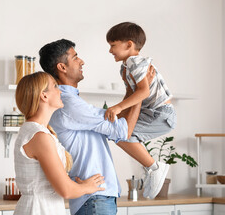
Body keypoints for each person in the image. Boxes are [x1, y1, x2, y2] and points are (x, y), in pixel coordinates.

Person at [39, 39, 155, 215]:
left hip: (95, 199)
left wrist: (133, 91)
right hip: (94, 200)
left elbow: (114, 120)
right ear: (62, 67)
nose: (82, 61)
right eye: (75, 57)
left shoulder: (71, 102)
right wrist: (140, 88)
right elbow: (123, 131)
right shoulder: (70, 104)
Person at [13, 71, 106, 215]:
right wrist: (88, 187)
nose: (60, 90)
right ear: (44, 96)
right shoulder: (40, 136)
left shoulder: (34, 131)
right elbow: (66, 190)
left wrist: (76, 186)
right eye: (55, 86)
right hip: (40, 210)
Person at [105, 21, 177, 198]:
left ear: (129, 44)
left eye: (113, 45)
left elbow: (143, 91)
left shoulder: (135, 63)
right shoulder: (126, 66)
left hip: (160, 114)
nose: (110, 50)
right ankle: (151, 167)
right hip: (154, 112)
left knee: (122, 136)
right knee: (119, 133)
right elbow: (132, 94)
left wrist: (118, 107)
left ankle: (154, 167)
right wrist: (120, 113)